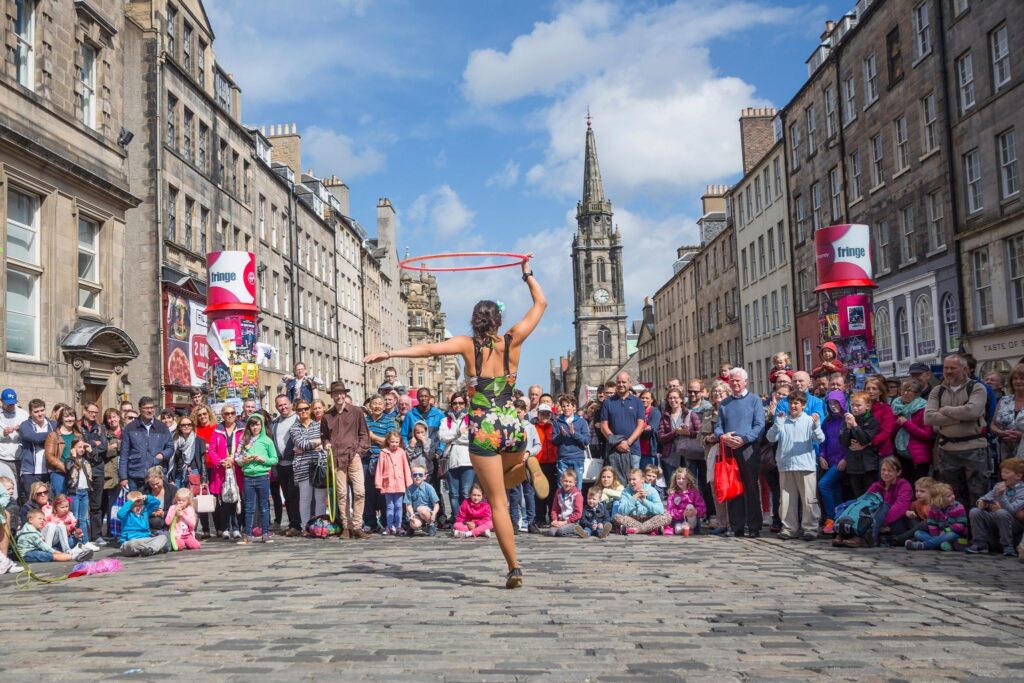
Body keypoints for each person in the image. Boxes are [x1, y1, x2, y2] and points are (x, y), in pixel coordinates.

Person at [363, 257, 546, 588]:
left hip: (483, 428)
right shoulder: (513, 340)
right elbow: (541, 303)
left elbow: (430, 348)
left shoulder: (466, 344)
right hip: (511, 424)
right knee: (505, 480)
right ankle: (524, 459)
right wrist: (527, 273)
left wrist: (389, 355)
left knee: (498, 503)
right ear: (499, 320)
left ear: (475, 321)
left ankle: (515, 567)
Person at [925, 354, 991, 508]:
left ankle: (978, 530)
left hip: (974, 448)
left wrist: (945, 410)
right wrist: (961, 417)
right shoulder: (937, 390)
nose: (948, 371)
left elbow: (972, 412)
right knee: (952, 495)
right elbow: (929, 418)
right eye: (945, 368)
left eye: (952, 368)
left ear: (965, 369)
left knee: (978, 493)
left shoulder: (977, 388)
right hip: (947, 450)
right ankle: (960, 529)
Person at [713, 368, 766, 537]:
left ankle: (754, 526)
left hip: (748, 449)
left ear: (745, 382)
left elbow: (759, 425)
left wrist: (744, 439)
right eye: (732, 381)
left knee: (751, 487)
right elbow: (718, 426)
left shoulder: (754, 400)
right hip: (729, 449)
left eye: (738, 380)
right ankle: (737, 526)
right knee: (734, 488)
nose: (735, 383)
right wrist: (723, 436)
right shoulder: (725, 403)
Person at [767, 391, 824, 541]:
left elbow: (820, 439)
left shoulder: (809, 420)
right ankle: (789, 528)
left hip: (805, 465)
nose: (793, 406)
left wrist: (816, 426)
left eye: (796, 403)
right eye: (791, 403)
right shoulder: (782, 420)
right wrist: (776, 425)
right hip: (785, 465)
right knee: (786, 500)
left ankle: (810, 528)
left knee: (808, 499)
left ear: (803, 405)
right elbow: (770, 438)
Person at [317, 383, 370, 539]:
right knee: (341, 494)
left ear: (345, 395)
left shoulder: (356, 411)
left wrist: (359, 452)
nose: (339, 396)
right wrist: (326, 443)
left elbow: (364, 434)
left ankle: (357, 526)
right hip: (336, 458)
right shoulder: (327, 416)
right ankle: (346, 526)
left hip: (353, 456)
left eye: (341, 393)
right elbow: (324, 435)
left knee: (360, 492)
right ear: (332, 396)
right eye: (336, 394)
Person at [966, 457, 1024, 557]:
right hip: (996, 518)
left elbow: (1012, 510)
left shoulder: (1022, 491)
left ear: (1018, 476)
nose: (1003, 475)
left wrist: (1001, 497)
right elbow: (985, 497)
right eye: (1002, 472)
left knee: (1001, 512)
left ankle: (1007, 545)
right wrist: (981, 502)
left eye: (1006, 473)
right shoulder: (999, 486)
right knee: (975, 511)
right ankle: (979, 542)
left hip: (1013, 523)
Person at [235, 413, 278, 544]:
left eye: (257, 424)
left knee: (264, 506)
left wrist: (263, 460)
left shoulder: (267, 441)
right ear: (248, 426)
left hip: (263, 477)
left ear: (262, 425)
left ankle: (265, 534)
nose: (255, 427)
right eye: (252, 425)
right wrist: (244, 460)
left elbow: (274, 459)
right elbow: (237, 459)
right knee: (248, 507)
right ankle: (247, 535)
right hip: (248, 477)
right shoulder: (244, 441)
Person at [657, 387, 704, 506]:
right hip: (670, 456)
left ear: (681, 400)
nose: (673, 400)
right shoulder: (665, 416)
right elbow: (661, 437)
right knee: (672, 486)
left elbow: (700, 433)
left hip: (688, 455)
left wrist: (688, 432)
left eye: (675, 398)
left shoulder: (690, 414)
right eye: (670, 398)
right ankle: (674, 513)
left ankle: (692, 511)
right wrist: (675, 432)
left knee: (690, 485)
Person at [118, 397, 174, 492]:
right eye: (146, 408)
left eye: (152, 408)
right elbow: (124, 453)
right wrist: (123, 477)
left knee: (156, 505)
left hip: (156, 475)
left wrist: (162, 455)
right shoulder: (130, 428)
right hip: (135, 475)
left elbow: (170, 447)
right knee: (136, 505)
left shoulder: (162, 427)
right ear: (140, 409)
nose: (149, 411)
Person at [599, 372, 645, 484]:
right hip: (613, 450)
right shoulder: (607, 402)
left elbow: (641, 426)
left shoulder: (637, 402)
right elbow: (603, 426)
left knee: (633, 482)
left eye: (624, 382)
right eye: (618, 382)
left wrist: (628, 442)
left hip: (632, 449)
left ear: (629, 383)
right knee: (615, 483)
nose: (621, 384)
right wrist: (617, 443)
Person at [208, 404, 244, 540]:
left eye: (232, 413)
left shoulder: (242, 429)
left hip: (237, 470)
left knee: (237, 498)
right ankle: (225, 528)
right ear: (222, 415)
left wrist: (234, 460)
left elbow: (246, 447)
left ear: (236, 414)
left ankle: (236, 527)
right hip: (222, 471)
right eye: (227, 413)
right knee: (224, 501)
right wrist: (219, 461)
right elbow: (211, 449)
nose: (230, 415)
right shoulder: (217, 430)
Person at [289, 399, 325, 534]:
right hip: (303, 467)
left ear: (309, 409)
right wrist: (317, 443)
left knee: (320, 499)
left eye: (305, 408)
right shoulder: (294, 428)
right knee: (305, 498)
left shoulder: (319, 425)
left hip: (319, 465)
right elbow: (302, 444)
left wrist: (311, 444)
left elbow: (325, 440)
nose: (303, 411)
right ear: (296, 412)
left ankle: (320, 526)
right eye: (300, 410)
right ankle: (305, 526)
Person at [700, 381, 730, 534]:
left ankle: (733, 521)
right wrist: (707, 439)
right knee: (715, 487)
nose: (717, 395)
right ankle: (722, 522)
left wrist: (720, 437)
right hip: (712, 453)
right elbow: (700, 436)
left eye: (721, 392)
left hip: (728, 454)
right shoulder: (708, 413)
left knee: (729, 488)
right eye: (715, 392)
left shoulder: (731, 410)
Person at [438, 392, 472, 528]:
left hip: (467, 460)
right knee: (453, 493)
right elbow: (442, 436)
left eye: (460, 403)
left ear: (465, 404)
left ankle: (466, 518)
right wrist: (458, 432)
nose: (458, 406)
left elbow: (471, 438)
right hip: (451, 459)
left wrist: (453, 437)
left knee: (465, 491)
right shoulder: (445, 420)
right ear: (451, 405)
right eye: (455, 403)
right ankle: (457, 520)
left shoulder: (471, 419)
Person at [363, 392, 395, 533]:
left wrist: (372, 437)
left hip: (382, 460)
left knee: (383, 492)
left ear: (384, 406)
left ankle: (384, 521)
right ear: (370, 406)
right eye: (374, 403)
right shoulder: (364, 420)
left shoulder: (389, 421)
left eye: (379, 404)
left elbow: (389, 442)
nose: (376, 406)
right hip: (366, 459)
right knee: (367, 492)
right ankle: (369, 522)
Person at [891, 379, 933, 484]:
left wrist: (906, 424)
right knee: (904, 486)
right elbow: (891, 431)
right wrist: (896, 423)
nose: (905, 393)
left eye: (909, 390)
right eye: (903, 390)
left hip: (918, 456)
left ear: (917, 393)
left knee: (918, 488)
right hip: (900, 454)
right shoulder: (895, 407)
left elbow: (927, 435)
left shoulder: (924, 408)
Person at [905, 482, 967, 552]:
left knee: (950, 535)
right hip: (939, 536)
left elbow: (961, 525)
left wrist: (946, 531)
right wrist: (936, 536)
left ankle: (923, 545)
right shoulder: (933, 508)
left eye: (952, 494)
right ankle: (940, 545)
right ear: (940, 499)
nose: (953, 497)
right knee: (918, 533)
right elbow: (931, 523)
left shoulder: (958, 507)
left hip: (956, 536)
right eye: (948, 496)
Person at [840, 391, 880, 498]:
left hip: (868, 466)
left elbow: (864, 440)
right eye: (852, 405)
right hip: (853, 466)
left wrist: (855, 425)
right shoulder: (848, 420)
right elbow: (843, 442)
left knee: (869, 496)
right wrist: (848, 429)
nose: (855, 408)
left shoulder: (872, 420)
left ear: (867, 406)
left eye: (858, 405)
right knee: (857, 496)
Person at [866, 457, 914, 546]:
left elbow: (899, 508)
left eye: (890, 471)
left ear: (898, 472)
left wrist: (880, 523)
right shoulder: (876, 485)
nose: (886, 473)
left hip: (896, 521)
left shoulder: (904, 485)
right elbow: (866, 502)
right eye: (883, 470)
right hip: (877, 522)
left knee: (895, 525)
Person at [819, 391, 848, 534]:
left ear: (842, 403)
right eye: (831, 403)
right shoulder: (827, 421)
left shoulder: (846, 420)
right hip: (829, 460)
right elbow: (823, 441)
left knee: (823, 484)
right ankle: (839, 519)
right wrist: (821, 456)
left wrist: (846, 459)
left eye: (836, 403)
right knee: (835, 490)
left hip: (840, 461)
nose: (833, 406)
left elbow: (850, 442)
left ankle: (831, 517)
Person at [79, 402, 108, 543]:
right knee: (81, 503)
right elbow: (77, 444)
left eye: (96, 412)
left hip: (97, 469)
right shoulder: (77, 427)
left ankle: (96, 535)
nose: (93, 414)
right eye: (91, 411)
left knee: (96, 504)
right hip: (81, 469)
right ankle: (81, 535)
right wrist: (93, 444)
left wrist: (91, 448)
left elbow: (104, 446)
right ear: (84, 411)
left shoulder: (101, 428)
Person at [376, 431, 412, 536]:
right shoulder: (383, 452)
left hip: (400, 483)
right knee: (390, 506)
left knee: (399, 506)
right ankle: (389, 526)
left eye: (396, 442)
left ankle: (399, 526)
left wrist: (408, 482)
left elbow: (406, 467)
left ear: (399, 442)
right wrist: (379, 483)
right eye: (392, 442)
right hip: (388, 484)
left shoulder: (401, 452)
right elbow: (379, 468)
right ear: (388, 441)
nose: (394, 444)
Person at [614, 467, 671, 535]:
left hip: (649, 518)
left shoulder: (651, 490)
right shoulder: (625, 492)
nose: (631, 482)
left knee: (666, 516)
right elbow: (622, 511)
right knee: (617, 517)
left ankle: (638, 529)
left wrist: (644, 501)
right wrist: (634, 498)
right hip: (633, 519)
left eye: (634, 479)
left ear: (642, 480)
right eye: (629, 480)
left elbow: (660, 510)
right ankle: (650, 529)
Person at [552, 394, 590, 489]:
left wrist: (574, 434)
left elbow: (586, 440)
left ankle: (576, 504)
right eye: (563, 406)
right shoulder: (557, 422)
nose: (565, 408)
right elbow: (554, 441)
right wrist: (561, 435)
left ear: (574, 407)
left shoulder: (582, 422)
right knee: (562, 487)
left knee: (577, 487)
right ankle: (562, 504)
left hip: (577, 459)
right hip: (563, 459)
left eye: (568, 405)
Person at [117, 490, 169, 557]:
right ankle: (156, 549)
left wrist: (146, 497)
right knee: (132, 544)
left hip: (145, 539)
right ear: (130, 505)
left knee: (163, 537)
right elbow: (119, 514)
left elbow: (156, 503)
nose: (138, 508)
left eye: (141, 505)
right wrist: (132, 501)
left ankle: (150, 550)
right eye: (135, 505)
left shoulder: (145, 511)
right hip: (131, 541)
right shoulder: (126, 515)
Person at [44, 406, 81, 496]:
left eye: (72, 416)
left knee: (74, 501)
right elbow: (49, 456)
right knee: (61, 500)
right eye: (66, 416)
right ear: (61, 419)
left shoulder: (79, 435)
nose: (70, 419)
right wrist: (65, 468)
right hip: (59, 473)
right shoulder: (53, 435)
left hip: (76, 472)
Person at [991, 364, 1024, 461]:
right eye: (1015, 378)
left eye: (1022, 378)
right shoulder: (1004, 400)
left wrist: (1021, 436)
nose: (1018, 381)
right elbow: (993, 425)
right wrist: (1001, 433)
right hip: (1005, 452)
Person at [0, 388, 27, 501]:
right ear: (1, 401)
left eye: (12, 404)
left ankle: (16, 510)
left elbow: (29, 432)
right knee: (4, 485)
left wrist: (21, 430)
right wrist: (3, 433)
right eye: (8, 404)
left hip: (19, 456)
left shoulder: (23, 414)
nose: (10, 406)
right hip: (2, 457)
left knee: (19, 487)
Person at [663, 467, 706, 536]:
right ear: (675, 480)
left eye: (683, 479)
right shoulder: (672, 494)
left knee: (690, 506)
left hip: (692, 520)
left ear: (688, 480)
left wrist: (695, 511)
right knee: (677, 527)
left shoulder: (694, 493)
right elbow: (670, 510)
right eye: (678, 478)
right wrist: (682, 512)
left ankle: (689, 528)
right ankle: (683, 529)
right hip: (678, 520)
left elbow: (702, 508)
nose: (681, 481)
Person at [404, 465, 440, 536]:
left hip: (427, 512)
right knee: (415, 524)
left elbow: (436, 504)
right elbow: (408, 504)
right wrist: (412, 514)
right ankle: (412, 527)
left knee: (421, 509)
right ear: (411, 476)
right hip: (416, 513)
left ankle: (431, 525)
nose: (417, 477)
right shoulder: (409, 489)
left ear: (425, 476)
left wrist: (434, 513)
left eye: (420, 475)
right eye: (415, 475)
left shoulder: (429, 487)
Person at [547, 469, 583, 537]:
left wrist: (565, 522)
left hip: (572, 522)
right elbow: (555, 509)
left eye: (570, 482)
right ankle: (564, 529)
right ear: (561, 481)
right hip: (560, 520)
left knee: (560, 532)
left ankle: (575, 530)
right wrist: (554, 520)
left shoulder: (577, 494)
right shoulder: (558, 492)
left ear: (574, 483)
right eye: (565, 481)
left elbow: (578, 514)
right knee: (551, 532)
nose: (567, 484)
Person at [141, 466, 177, 533]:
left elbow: (177, 507)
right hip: (151, 519)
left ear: (162, 478)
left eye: (157, 483)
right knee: (156, 521)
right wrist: (151, 513)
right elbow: (139, 509)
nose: (155, 486)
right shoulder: (143, 491)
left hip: (169, 516)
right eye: (152, 484)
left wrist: (163, 513)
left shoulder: (172, 489)